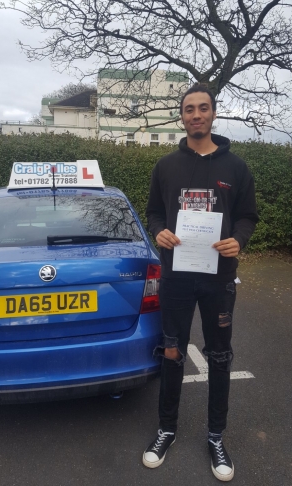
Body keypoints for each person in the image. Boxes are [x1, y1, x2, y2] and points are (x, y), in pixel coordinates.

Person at [142, 84, 258, 481]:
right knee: (172, 352)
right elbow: (154, 213)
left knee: (220, 356)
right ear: (182, 116)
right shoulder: (165, 166)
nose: (196, 114)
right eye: (189, 108)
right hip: (176, 276)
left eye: (203, 108)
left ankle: (215, 436)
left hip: (219, 279)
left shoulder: (236, 167)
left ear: (213, 113)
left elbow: (248, 217)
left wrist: (237, 240)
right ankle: (166, 429)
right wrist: (158, 231)